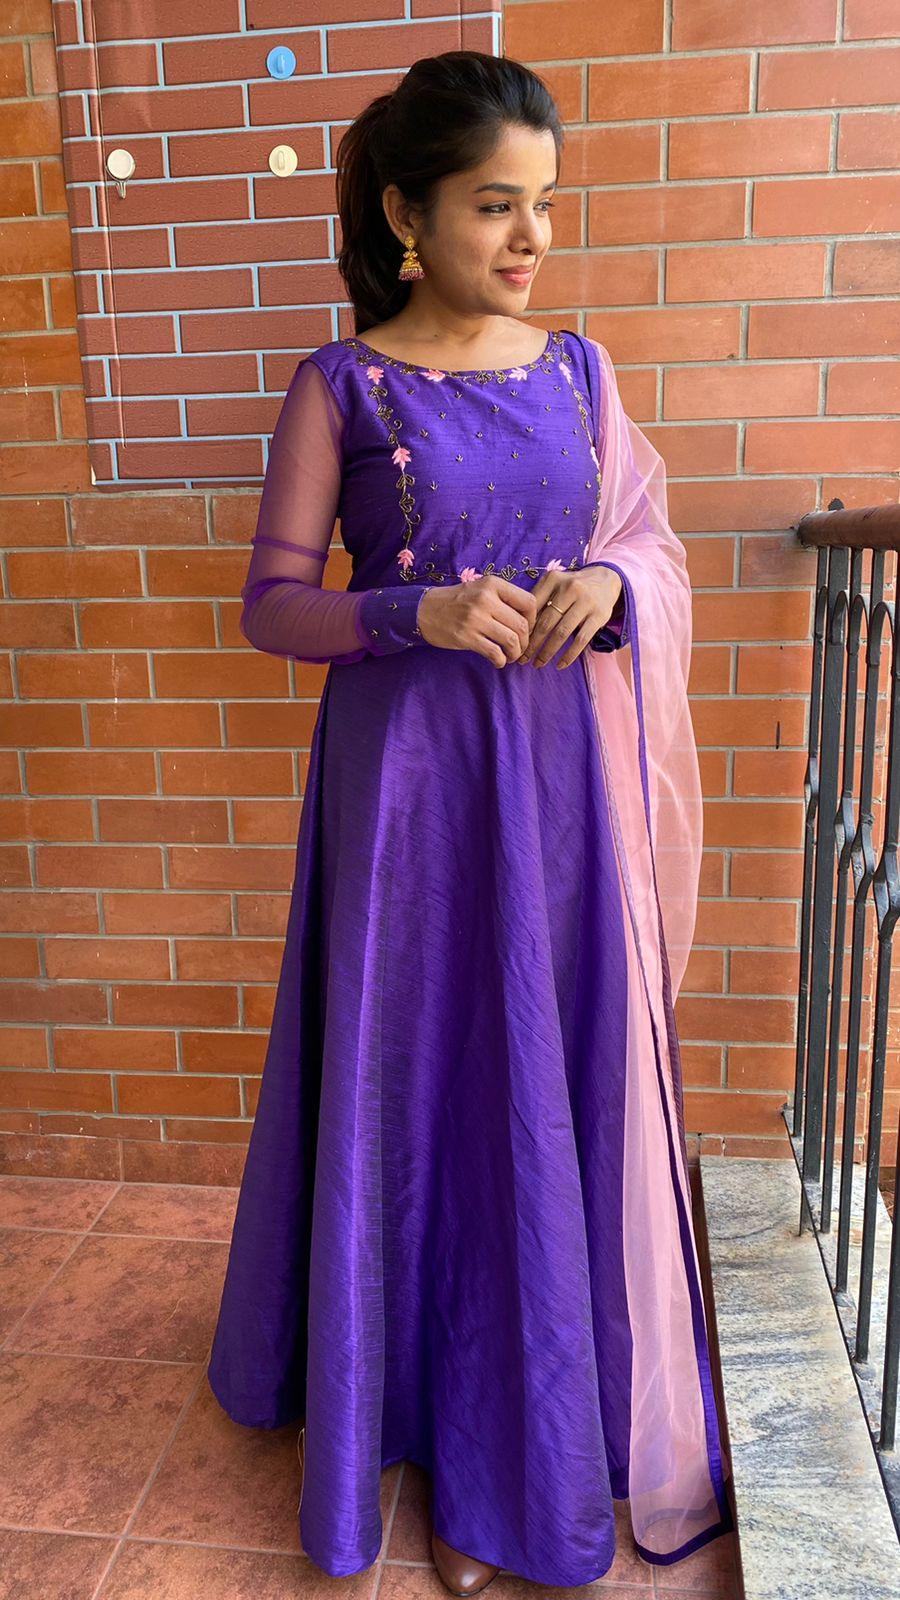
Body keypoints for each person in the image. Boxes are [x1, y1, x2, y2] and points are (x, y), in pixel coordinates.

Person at [207, 48, 734, 1596]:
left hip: (562, 797)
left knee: (539, 1087)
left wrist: (614, 584)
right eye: (496, 205)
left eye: (545, 205)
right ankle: (426, 1434)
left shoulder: (579, 371)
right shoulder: (343, 385)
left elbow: (650, 543)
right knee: (428, 1092)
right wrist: (410, 611)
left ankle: (532, 1441)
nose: (530, 238)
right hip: (411, 808)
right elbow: (271, 605)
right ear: (405, 213)